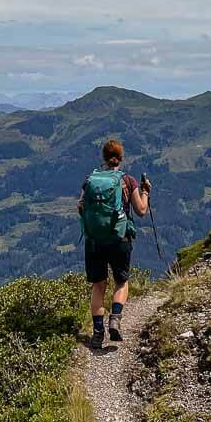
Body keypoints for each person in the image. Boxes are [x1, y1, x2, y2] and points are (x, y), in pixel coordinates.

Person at [77, 139, 151, 349]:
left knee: (98, 285)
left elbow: (80, 207)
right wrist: (145, 191)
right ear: (121, 158)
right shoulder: (128, 181)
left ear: (103, 158)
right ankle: (115, 319)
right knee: (121, 281)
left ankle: (98, 333)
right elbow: (141, 210)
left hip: (94, 241)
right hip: (119, 239)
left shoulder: (90, 180)